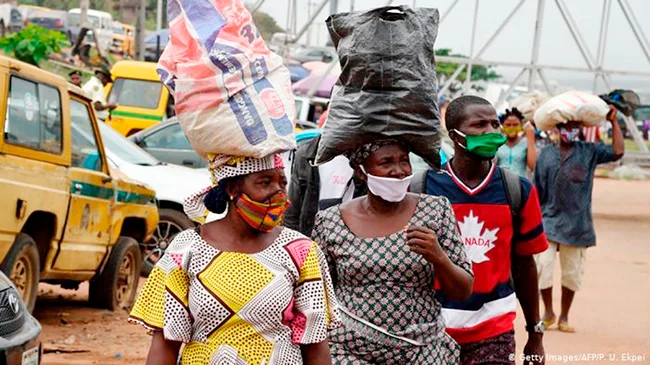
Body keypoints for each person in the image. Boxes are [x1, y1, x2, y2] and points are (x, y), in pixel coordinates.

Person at [129, 154, 341, 365]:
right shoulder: (186, 249)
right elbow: (166, 342)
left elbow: (314, 343)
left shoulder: (301, 250)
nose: (278, 192)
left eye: (282, 183)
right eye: (265, 182)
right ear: (232, 188)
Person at [313, 140, 474, 364]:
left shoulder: (436, 210)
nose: (399, 171)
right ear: (361, 171)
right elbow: (317, 297)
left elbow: (463, 291)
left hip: (422, 352)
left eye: (404, 161)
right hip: (349, 351)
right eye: (386, 162)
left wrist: (439, 258)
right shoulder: (330, 221)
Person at [414, 96, 548, 365]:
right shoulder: (423, 189)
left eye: (494, 124)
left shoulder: (517, 190)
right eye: (479, 125)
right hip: (430, 328)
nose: (491, 132)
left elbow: (524, 265)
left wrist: (535, 333)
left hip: (493, 328)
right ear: (455, 136)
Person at [533, 105, 624, 333]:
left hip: (577, 224)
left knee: (571, 272)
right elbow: (537, 189)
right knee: (542, 267)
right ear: (557, 129)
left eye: (574, 127)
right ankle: (549, 312)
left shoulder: (589, 151)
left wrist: (613, 122)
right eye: (565, 127)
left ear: (580, 130)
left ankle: (564, 316)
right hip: (549, 219)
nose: (569, 131)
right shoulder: (546, 154)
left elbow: (618, 152)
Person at [285, 135, 367, 236]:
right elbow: (292, 213)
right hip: (311, 241)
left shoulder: (366, 157)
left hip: (350, 242)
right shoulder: (307, 153)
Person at [496, 108, 537, 177]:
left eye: (515, 125)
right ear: (502, 126)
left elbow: (532, 166)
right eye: (508, 125)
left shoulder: (526, 142)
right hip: (500, 183)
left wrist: (530, 138)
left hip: (520, 183)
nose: (511, 127)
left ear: (521, 126)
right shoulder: (498, 142)